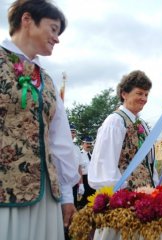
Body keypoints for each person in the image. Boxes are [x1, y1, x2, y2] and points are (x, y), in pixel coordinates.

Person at [0, 1, 80, 240]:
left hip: (45, 198)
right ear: (27, 20)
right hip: (5, 194)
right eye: (53, 29)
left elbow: (58, 141)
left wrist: (66, 196)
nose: (57, 39)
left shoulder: (47, 80)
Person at [88, 70, 159, 191]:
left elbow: (149, 164)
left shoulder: (141, 123)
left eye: (146, 95)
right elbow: (105, 167)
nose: (144, 98)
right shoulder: (115, 122)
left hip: (147, 197)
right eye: (139, 93)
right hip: (126, 198)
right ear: (124, 94)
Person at [77, 136, 96, 208]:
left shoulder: (92, 155)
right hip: (83, 179)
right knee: (83, 202)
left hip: (92, 179)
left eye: (90, 144)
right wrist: (80, 184)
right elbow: (78, 170)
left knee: (92, 201)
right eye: (87, 143)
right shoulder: (79, 154)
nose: (89, 145)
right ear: (82, 144)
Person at [70, 124, 85, 209]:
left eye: (74, 133)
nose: (73, 134)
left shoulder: (76, 149)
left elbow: (79, 167)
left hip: (74, 183)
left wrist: (81, 183)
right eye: (71, 132)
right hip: (61, 183)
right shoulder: (60, 146)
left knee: (74, 206)